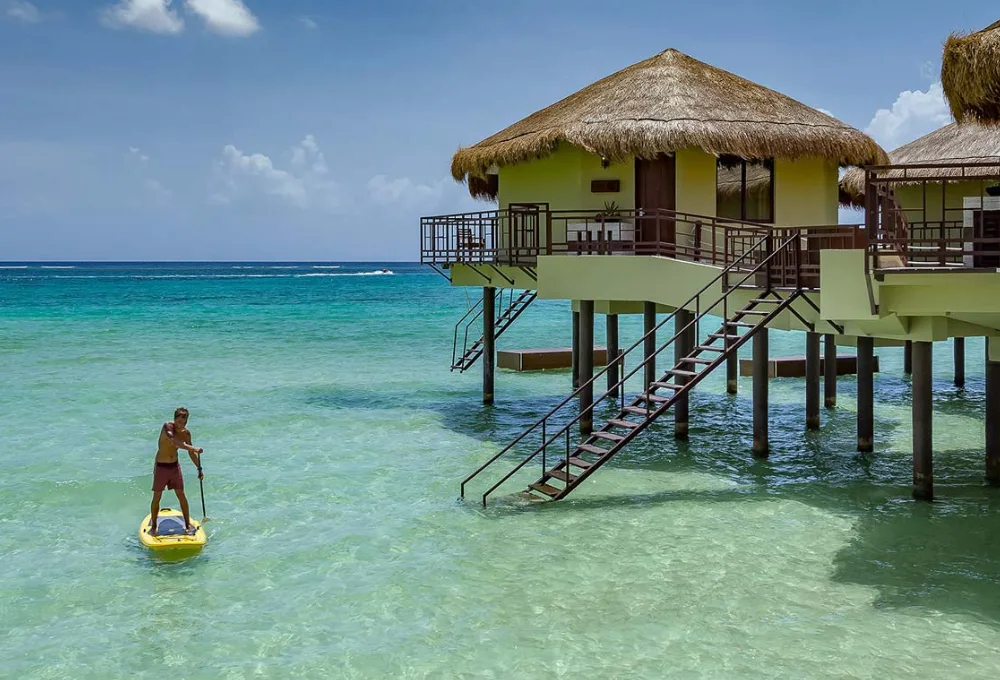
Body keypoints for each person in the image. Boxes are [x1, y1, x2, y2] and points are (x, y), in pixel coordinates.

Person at [149, 407, 204, 536]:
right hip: (161, 467)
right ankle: (154, 527)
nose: (182, 421)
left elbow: (191, 453)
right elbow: (174, 442)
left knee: (181, 494)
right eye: (179, 418)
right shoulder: (167, 427)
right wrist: (193, 447)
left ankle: (187, 524)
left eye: (184, 419)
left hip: (174, 466)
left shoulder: (186, 433)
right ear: (175, 419)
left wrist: (199, 468)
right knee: (157, 496)